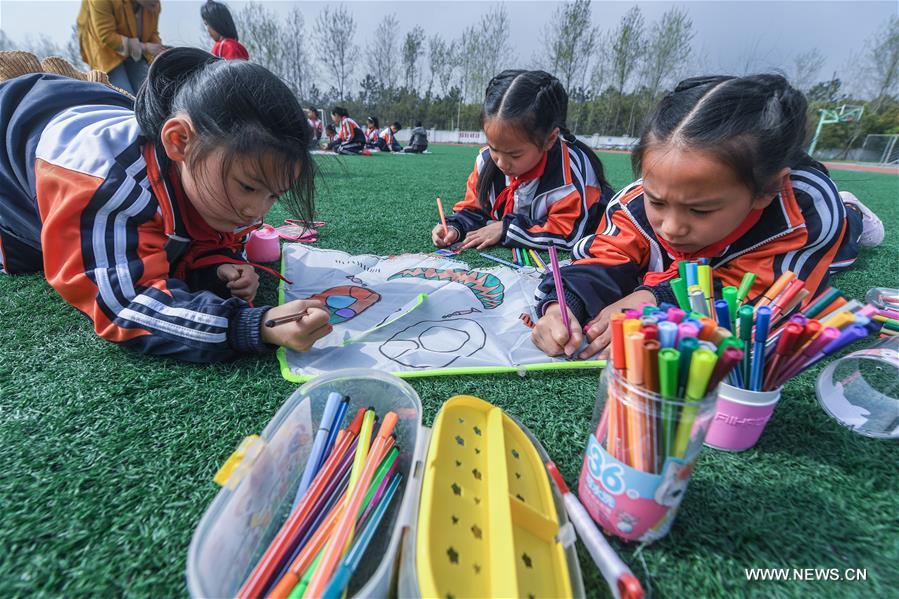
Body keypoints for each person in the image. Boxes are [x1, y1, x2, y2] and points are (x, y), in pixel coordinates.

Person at [0, 48, 332, 362]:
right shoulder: (107, 180)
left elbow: (203, 238)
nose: (256, 212)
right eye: (248, 187)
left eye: (273, 195)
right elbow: (127, 304)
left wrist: (219, 266)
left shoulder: (218, 174)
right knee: (35, 254)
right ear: (179, 141)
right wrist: (250, 326)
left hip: (86, 108)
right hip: (11, 155)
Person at [531, 74, 882, 359]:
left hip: (806, 232)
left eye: (699, 209)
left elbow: (768, 297)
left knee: (843, 247)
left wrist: (654, 299)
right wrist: (565, 304)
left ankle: (852, 212)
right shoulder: (635, 204)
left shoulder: (806, 210)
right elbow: (608, 255)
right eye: (658, 200)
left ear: (764, 191)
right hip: (703, 243)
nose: (671, 227)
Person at [432, 70, 614, 252]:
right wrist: (455, 227)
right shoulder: (485, 160)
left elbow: (568, 233)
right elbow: (474, 209)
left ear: (549, 139)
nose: (501, 163)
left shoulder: (570, 176)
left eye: (515, 155)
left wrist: (506, 228)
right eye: (494, 148)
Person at [77, 0, 165, 95]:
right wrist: (145, 47)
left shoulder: (152, 4)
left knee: (148, 94)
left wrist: (159, 52)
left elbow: (152, 33)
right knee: (124, 97)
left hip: (135, 53)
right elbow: (106, 36)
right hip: (106, 54)